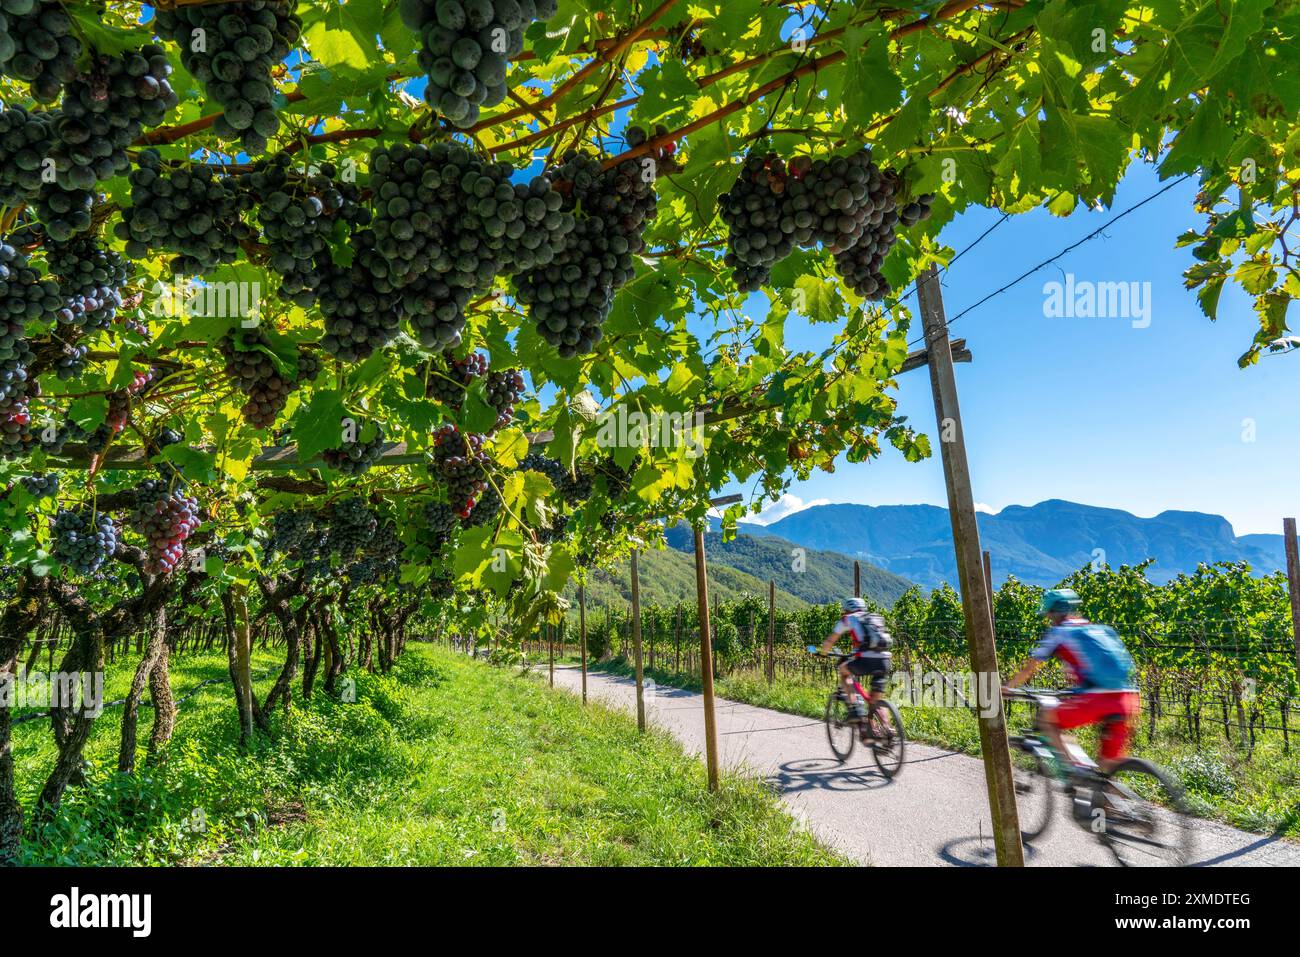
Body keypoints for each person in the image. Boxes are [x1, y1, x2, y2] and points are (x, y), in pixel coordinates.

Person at [1003, 588, 1139, 773]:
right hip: (1128, 699)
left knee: (1047, 720)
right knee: (1106, 771)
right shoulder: (1101, 630)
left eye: (1048, 614)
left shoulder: (1059, 633)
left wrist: (1007, 688)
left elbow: (1029, 669)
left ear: (1052, 612)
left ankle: (1074, 771)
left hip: (1097, 700)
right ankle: (1108, 794)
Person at [810, 597, 893, 722]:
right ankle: (887, 730)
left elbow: (830, 641)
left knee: (843, 672)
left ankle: (855, 708)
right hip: (885, 660)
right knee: (874, 702)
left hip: (866, 660)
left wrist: (823, 653)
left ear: (847, 609)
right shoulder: (874, 617)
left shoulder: (848, 619)